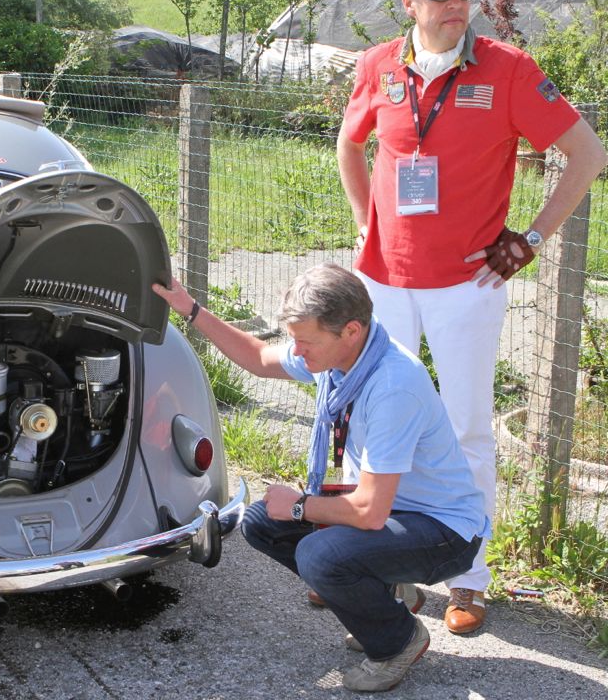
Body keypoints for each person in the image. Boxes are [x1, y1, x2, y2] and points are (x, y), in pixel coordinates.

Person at [336, 0, 608, 635]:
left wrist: (533, 238)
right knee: (370, 423)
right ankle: (368, 565)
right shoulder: (378, 65)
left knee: (463, 430)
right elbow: (350, 145)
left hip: (467, 284)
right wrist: (370, 225)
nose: (457, 8)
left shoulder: (510, 70)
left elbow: (587, 153)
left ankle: (470, 577)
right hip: (384, 284)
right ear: (408, 3)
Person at [154, 264, 488, 693]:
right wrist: (190, 308)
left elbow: (368, 512)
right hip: (395, 513)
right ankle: (388, 592)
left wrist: (299, 505)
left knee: (320, 556)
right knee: (260, 523)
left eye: (305, 341)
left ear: (350, 330)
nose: (297, 351)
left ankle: (398, 641)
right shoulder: (342, 355)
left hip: (444, 533)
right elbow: (257, 358)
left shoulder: (392, 386)